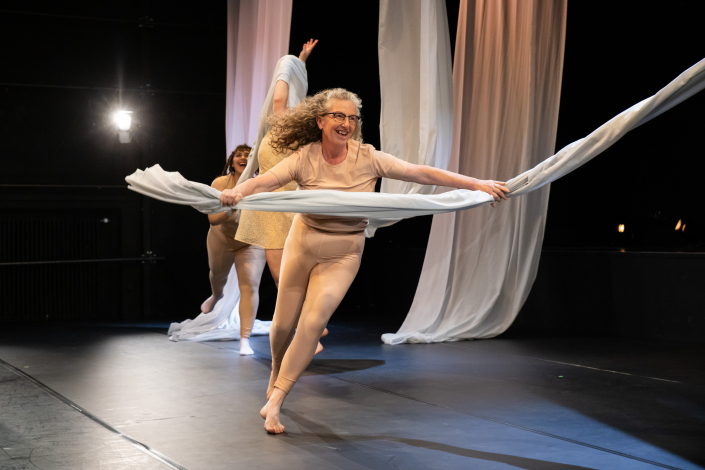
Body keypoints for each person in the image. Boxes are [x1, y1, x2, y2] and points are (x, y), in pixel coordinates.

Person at [219, 88, 509, 433]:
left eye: (352, 118)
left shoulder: (368, 157)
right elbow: (264, 182)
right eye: (338, 116)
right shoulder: (304, 157)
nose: (346, 123)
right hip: (303, 242)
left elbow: (422, 173)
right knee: (282, 326)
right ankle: (275, 371)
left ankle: (277, 399)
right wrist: (237, 191)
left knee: (312, 323)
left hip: (344, 252)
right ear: (320, 121)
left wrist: (477, 184)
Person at [202, 145, 267, 356]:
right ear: (231, 162)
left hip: (250, 241)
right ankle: (216, 295)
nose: (243, 158)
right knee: (217, 275)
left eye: (248, 155)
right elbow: (213, 219)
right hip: (221, 238)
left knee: (250, 285)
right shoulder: (220, 183)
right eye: (239, 155)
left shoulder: (262, 184)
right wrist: (232, 207)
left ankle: (244, 339)